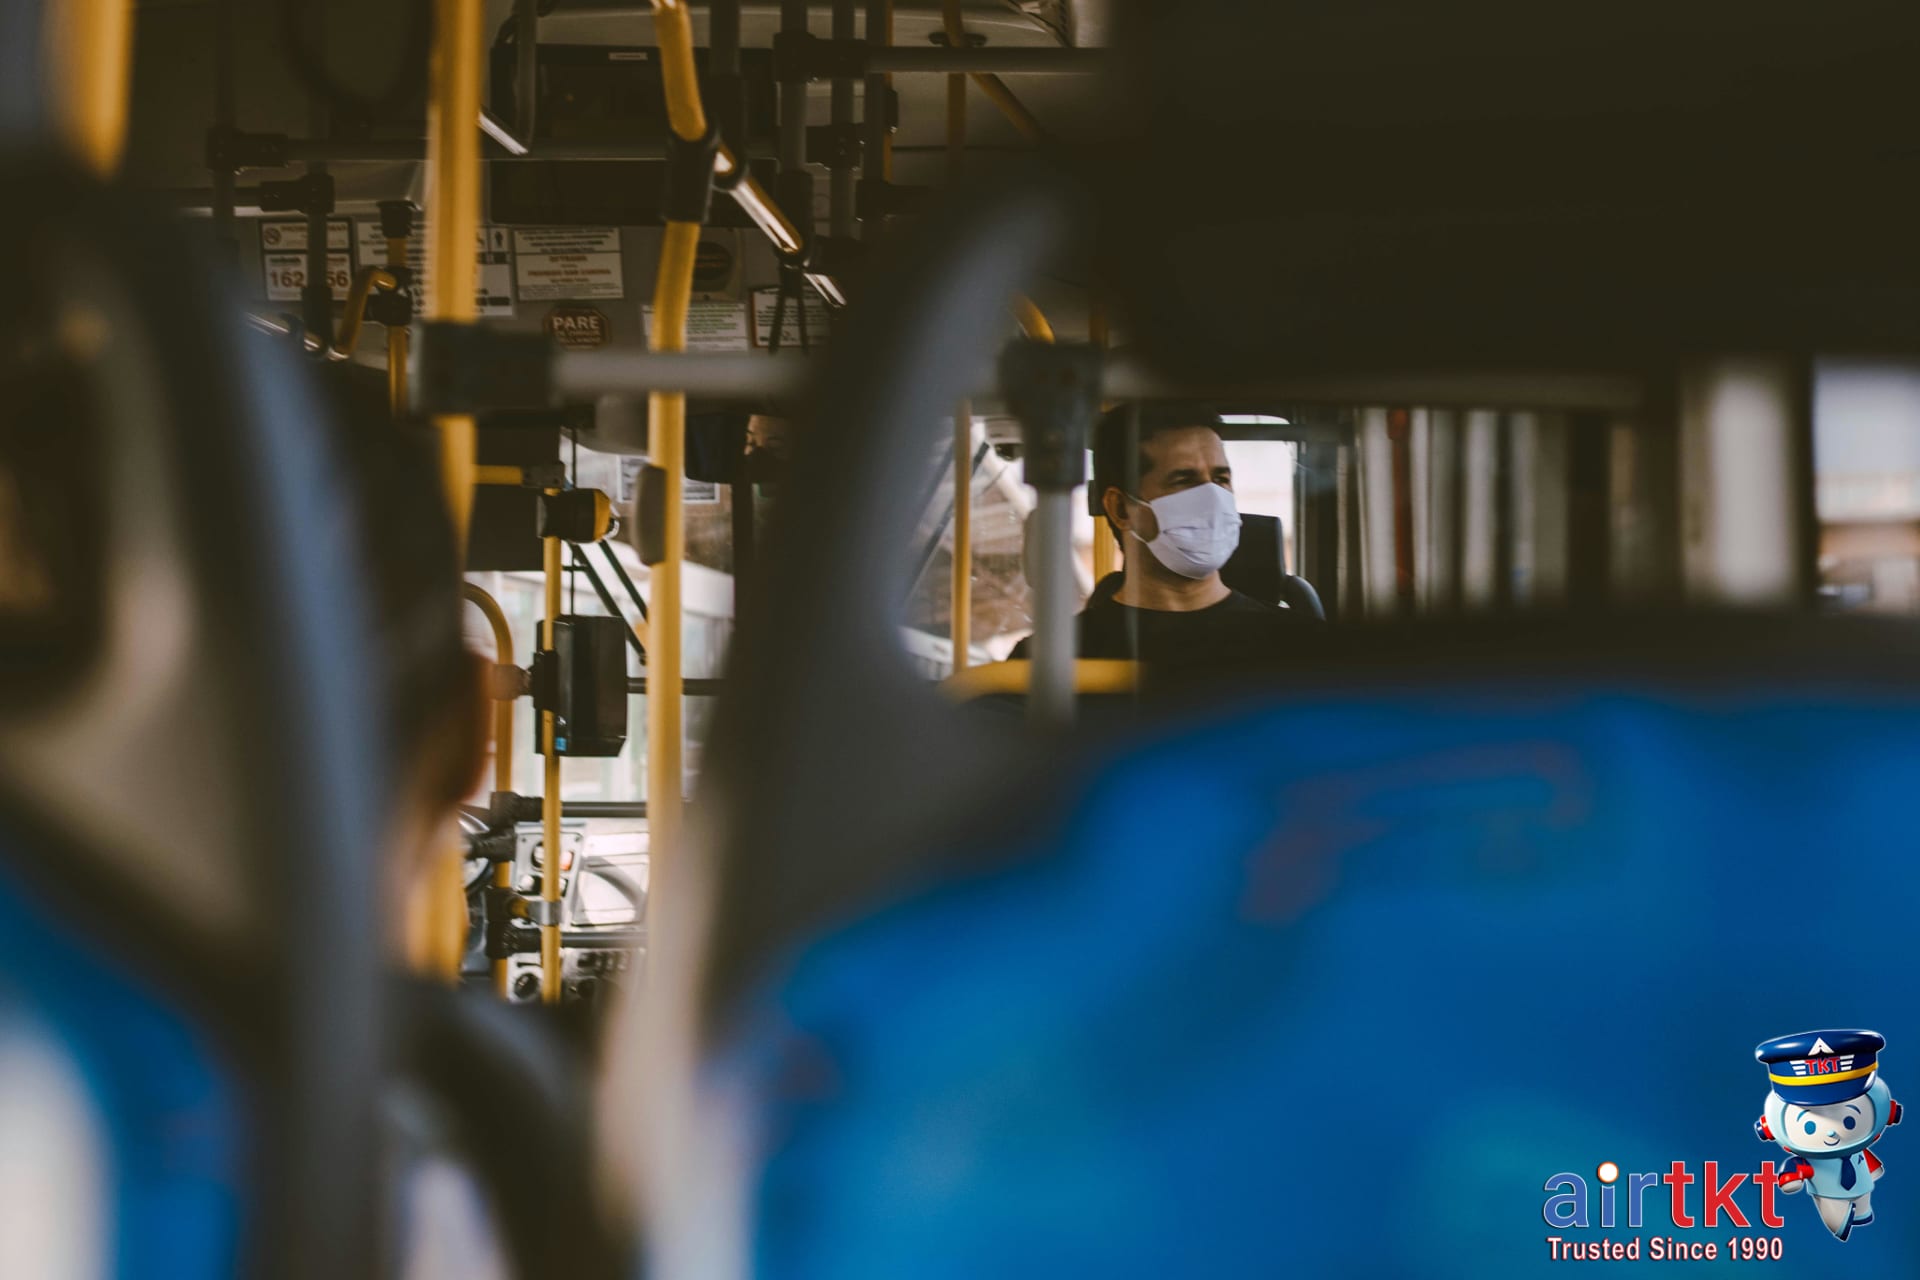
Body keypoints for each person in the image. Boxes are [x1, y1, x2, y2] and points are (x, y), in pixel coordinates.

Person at [1011, 406, 1313, 666]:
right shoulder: (1051, 661)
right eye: (1184, 481)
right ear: (1121, 509)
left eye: (1221, 479)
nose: (1213, 498)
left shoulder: (1304, 647)